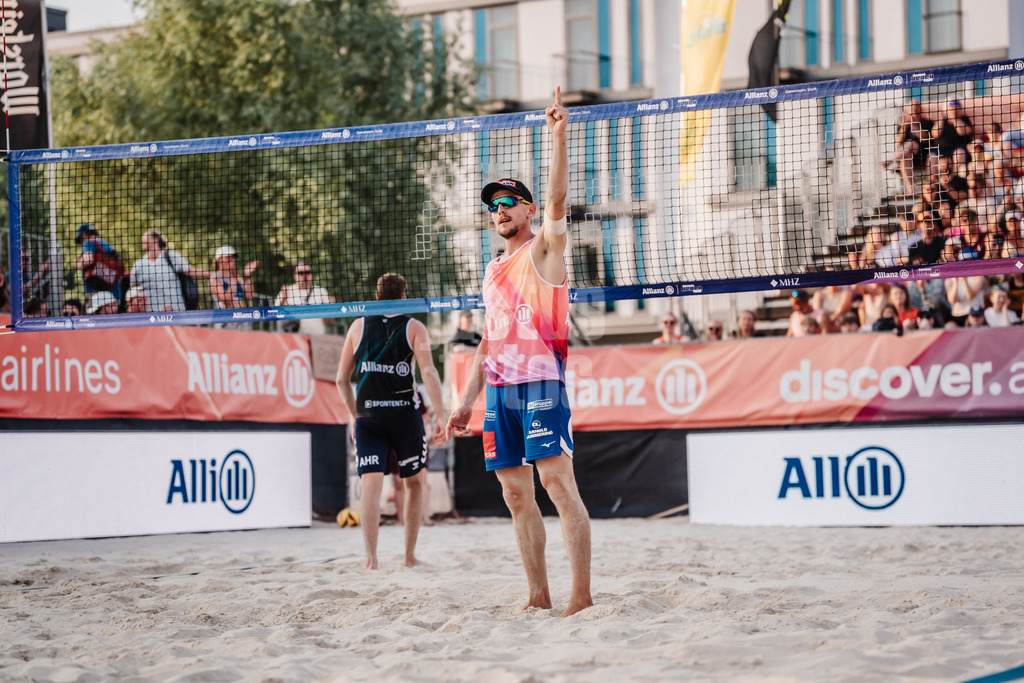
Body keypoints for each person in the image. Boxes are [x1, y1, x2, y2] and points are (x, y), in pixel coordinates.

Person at [445, 88, 593, 618]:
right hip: (500, 390)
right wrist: (465, 398)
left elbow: (557, 201)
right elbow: (490, 336)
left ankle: (580, 595)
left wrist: (559, 137)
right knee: (515, 496)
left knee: (556, 482)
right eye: (493, 206)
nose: (499, 210)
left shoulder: (544, 252)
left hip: (540, 383)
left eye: (509, 203)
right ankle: (538, 594)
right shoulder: (490, 270)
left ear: (527, 210)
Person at [335, 273, 445, 570]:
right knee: (415, 484)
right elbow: (429, 373)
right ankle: (409, 557)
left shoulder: (357, 325)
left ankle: (371, 560)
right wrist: (442, 416)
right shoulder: (414, 326)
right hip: (404, 418)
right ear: (405, 294)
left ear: (376, 295)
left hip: (368, 417)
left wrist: (353, 414)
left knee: (371, 488)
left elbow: (341, 380)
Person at [130, 229, 211, 312]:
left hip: (176, 310)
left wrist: (212, 275)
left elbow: (191, 270)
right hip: (151, 315)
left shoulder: (171, 256)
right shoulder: (138, 265)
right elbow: (132, 289)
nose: (142, 240)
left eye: (146, 237)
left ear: (156, 239)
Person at [274, 260, 335, 334]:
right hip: (293, 341)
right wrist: (283, 299)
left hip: (317, 340)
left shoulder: (321, 291)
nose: (304, 275)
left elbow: (329, 321)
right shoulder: (287, 290)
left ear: (311, 274)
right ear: (295, 275)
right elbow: (274, 316)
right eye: (301, 273)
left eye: (307, 272)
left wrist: (332, 309)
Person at [72, 223, 125, 303]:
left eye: (81, 239)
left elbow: (88, 260)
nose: (82, 242)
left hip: (97, 298)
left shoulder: (88, 243)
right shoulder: (108, 245)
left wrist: (76, 264)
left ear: (84, 234)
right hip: (115, 295)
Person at [210, 245, 258, 310]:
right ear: (219, 260)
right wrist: (234, 276)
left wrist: (248, 275)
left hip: (242, 316)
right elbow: (227, 300)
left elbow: (250, 295)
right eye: (228, 257)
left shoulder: (237, 277)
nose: (232, 260)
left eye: (233, 257)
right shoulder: (214, 278)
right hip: (226, 317)